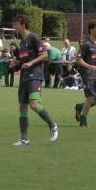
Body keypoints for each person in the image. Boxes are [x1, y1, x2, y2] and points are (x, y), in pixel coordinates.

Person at [7, 14, 58, 146]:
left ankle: (53, 125)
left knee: (34, 105)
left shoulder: (33, 37)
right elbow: (24, 61)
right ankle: (24, 139)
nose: (14, 27)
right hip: (24, 77)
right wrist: (16, 63)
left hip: (35, 76)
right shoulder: (22, 42)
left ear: (23, 24)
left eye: (16, 24)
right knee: (23, 107)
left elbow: (44, 55)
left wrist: (30, 64)